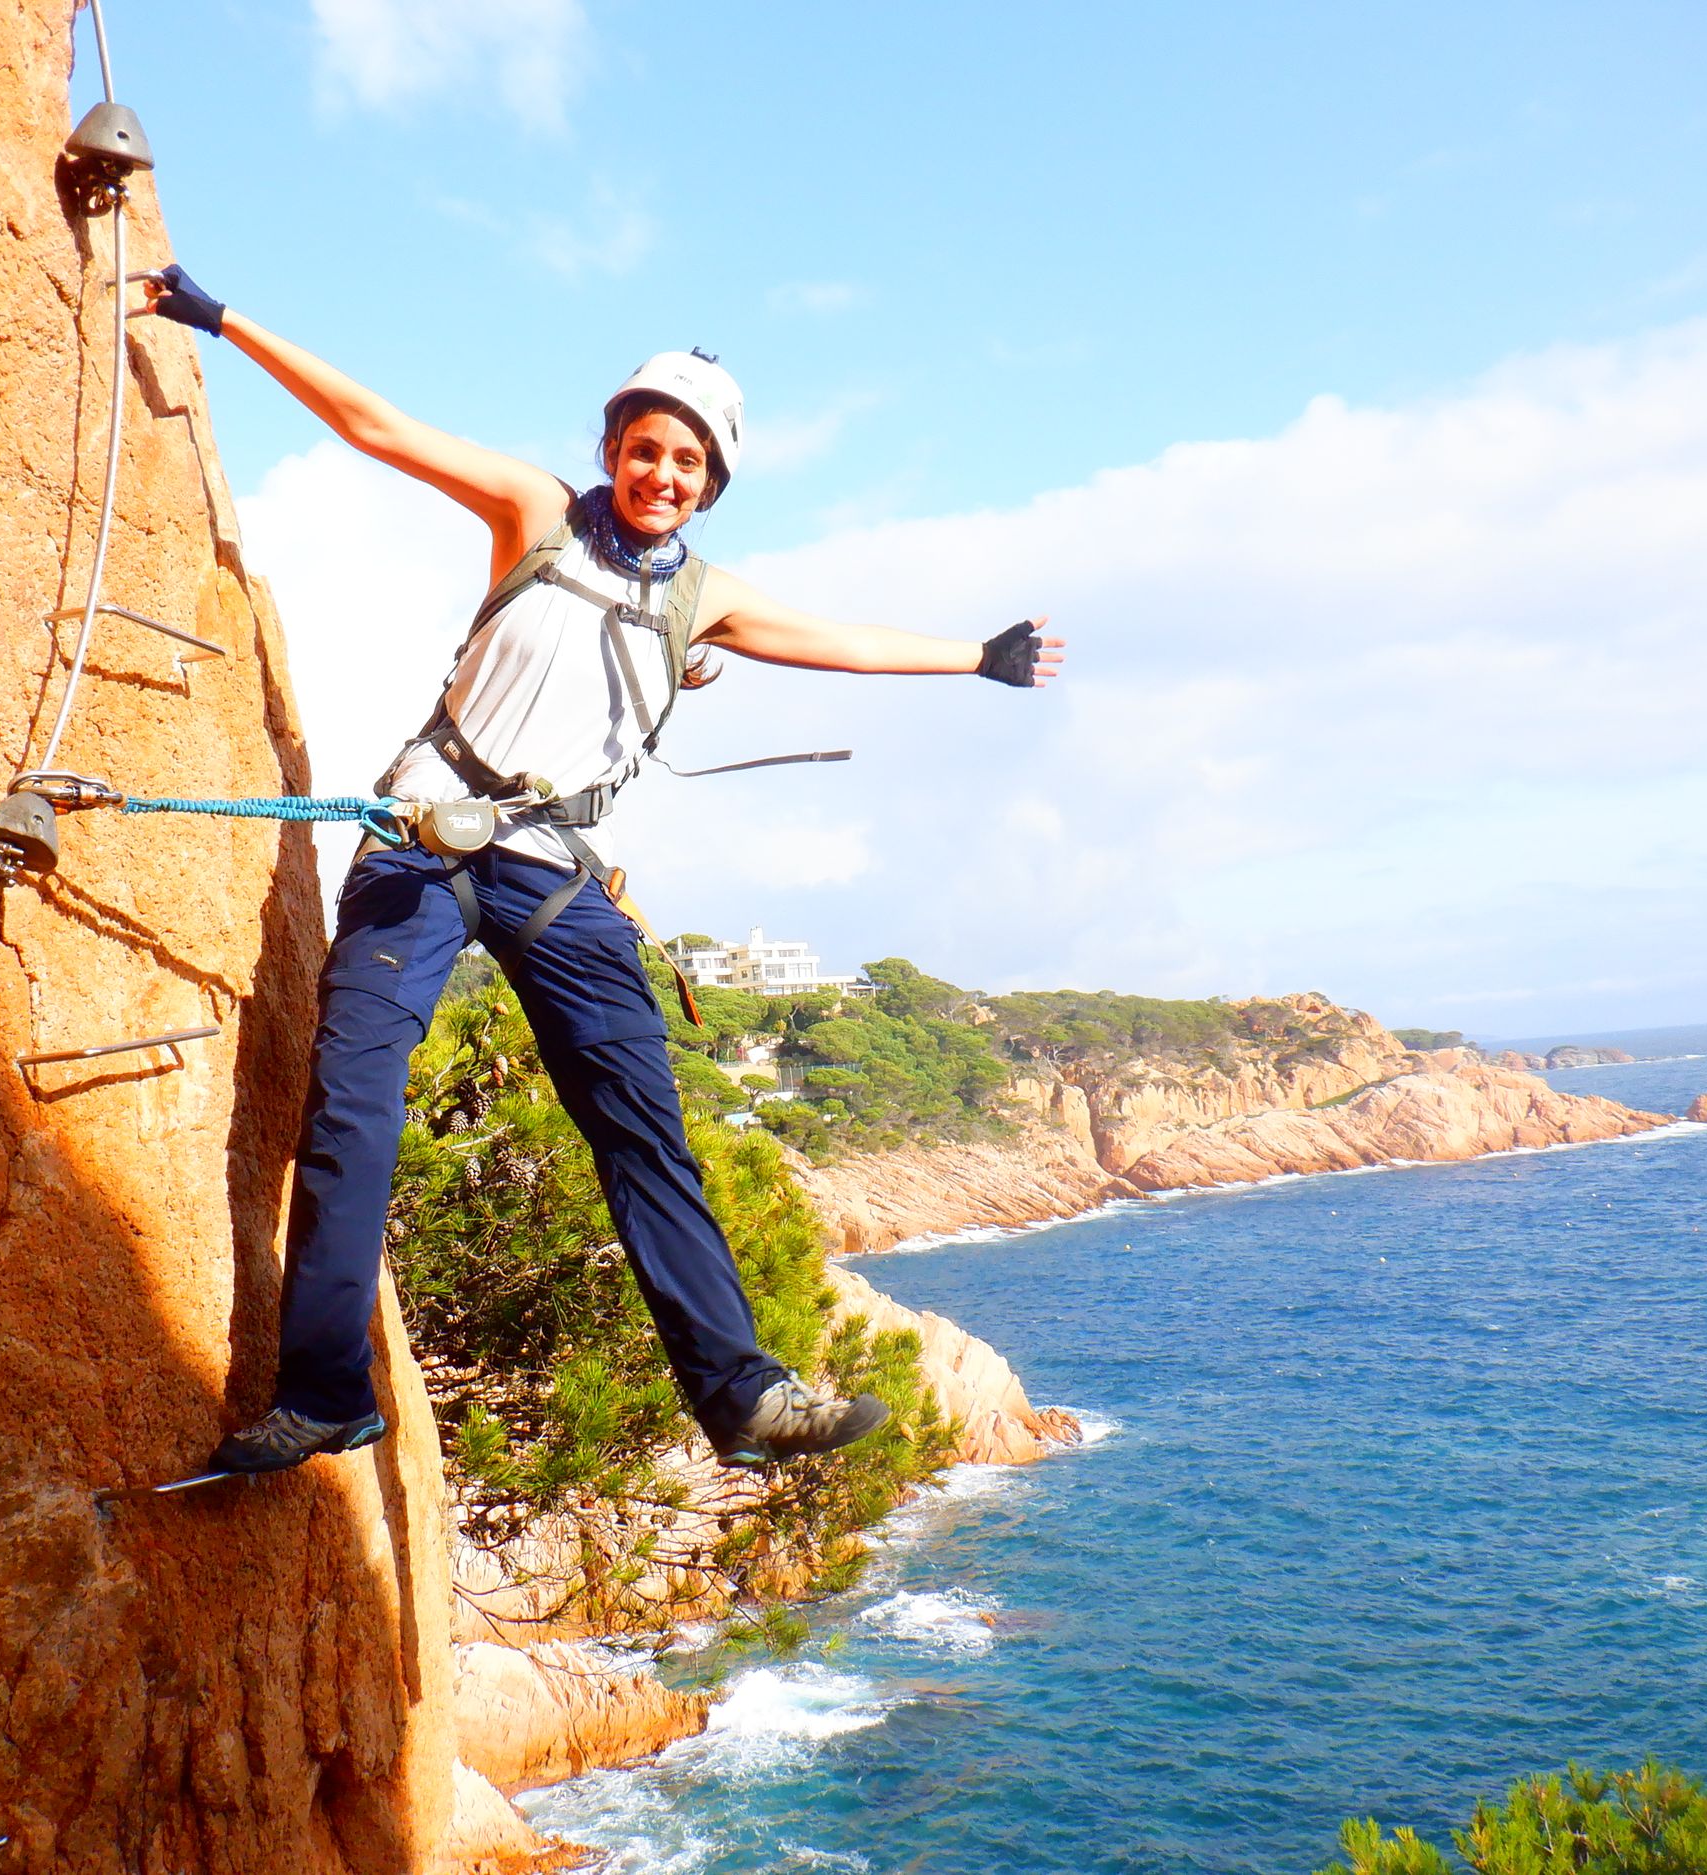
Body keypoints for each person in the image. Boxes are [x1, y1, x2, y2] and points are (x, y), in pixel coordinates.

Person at [141, 265, 1063, 1475]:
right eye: (644, 450)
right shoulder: (533, 512)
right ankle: (323, 1392)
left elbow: (839, 642)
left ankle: (739, 1394)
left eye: (687, 465)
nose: (661, 477)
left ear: (710, 484)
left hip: (559, 876)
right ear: (613, 450)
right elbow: (381, 430)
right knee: (353, 1107)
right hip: (421, 841)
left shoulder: (704, 598)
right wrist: (225, 320)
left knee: (643, 1127)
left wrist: (974, 657)